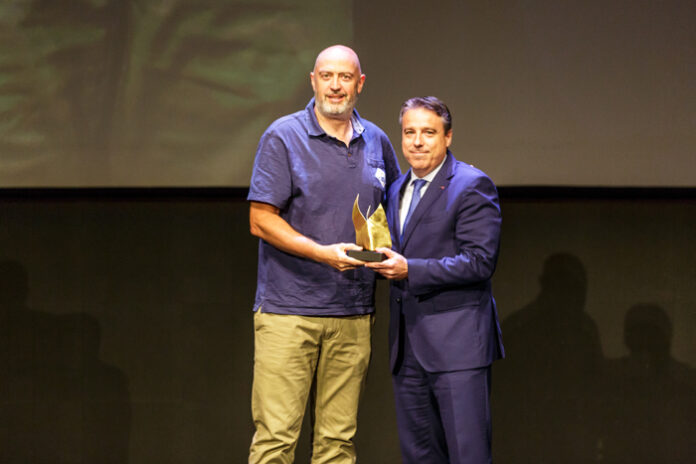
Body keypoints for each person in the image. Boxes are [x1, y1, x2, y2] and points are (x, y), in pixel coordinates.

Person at [246, 45, 400, 463]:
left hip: (353, 315)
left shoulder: (377, 142)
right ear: (313, 80)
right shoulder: (284, 135)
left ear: (360, 84)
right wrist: (321, 253)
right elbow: (260, 220)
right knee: (276, 440)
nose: (336, 86)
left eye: (345, 77)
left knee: (337, 444)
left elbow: (391, 217)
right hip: (288, 313)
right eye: (327, 76)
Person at [366, 96, 504, 463]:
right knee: (419, 456)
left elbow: (479, 262)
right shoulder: (395, 189)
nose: (417, 141)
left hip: (457, 348)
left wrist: (411, 269)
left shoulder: (472, 185)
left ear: (448, 137)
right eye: (409, 132)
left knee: (467, 455)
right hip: (408, 349)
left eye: (428, 132)